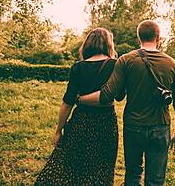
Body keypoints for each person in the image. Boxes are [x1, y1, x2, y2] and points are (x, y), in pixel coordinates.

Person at [79, 20, 175, 186]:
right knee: (156, 179)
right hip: (160, 127)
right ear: (158, 37)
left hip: (133, 127)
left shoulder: (126, 60)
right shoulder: (172, 64)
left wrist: (79, 99)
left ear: (139, 37)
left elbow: (108, 95)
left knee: (133, 174)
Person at [35, 28, 124, 185]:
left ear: (88, 44)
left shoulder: (78, 67)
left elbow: (67, 102)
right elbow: (119, 96)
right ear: (109, 44)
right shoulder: (115, 65)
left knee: (75, 167)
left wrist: (58, 130)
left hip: (81, 122)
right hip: (106, 124)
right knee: (102, 167)